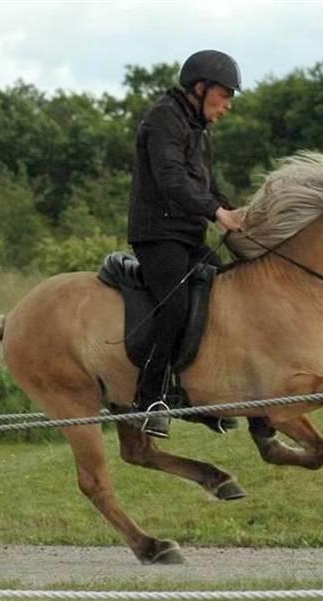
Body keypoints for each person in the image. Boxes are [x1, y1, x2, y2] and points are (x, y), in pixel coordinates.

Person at [127, 49, 243, 438]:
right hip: (158, 237)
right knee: (175, 305)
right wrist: (216, 212)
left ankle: (198, 396)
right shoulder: (164, 120)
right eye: (224, 95)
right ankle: (150, 399)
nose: (227, 106)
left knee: (220, 297)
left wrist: (235, 211)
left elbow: (207, 186)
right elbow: (171, 181)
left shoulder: (197, 129)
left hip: (187, 235)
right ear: (200, 87)